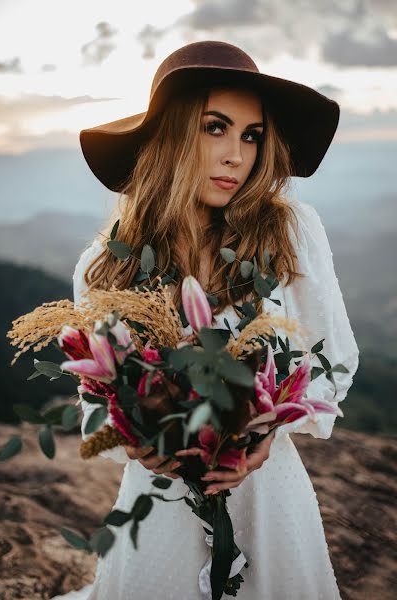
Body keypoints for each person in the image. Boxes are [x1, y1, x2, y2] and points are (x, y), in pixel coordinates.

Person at [51, 40, 359, 599]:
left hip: (268, 500)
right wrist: (139, 442)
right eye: (215, 127)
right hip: (159, 505)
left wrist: (267, 431)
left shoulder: (290, 234)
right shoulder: (105, 268)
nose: (237, 155)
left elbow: (332, 359)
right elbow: (97, 408)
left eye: (251, 135)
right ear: (170, 135)